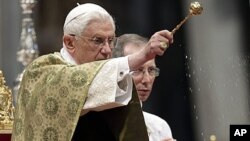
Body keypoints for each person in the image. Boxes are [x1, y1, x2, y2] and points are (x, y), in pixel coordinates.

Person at [11, 3, 173, 141]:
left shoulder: (107, 83)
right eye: (98, 41)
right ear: (69, 42)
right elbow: (79, 81)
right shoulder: (43, 70)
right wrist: (142, 56)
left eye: (111, 41)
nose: (107, 50)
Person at [114, 34, 176, 141]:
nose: (147, 80)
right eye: (137, 70)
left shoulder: (159, 127)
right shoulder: (98, 123)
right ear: (115, 71)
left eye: (151, 70)